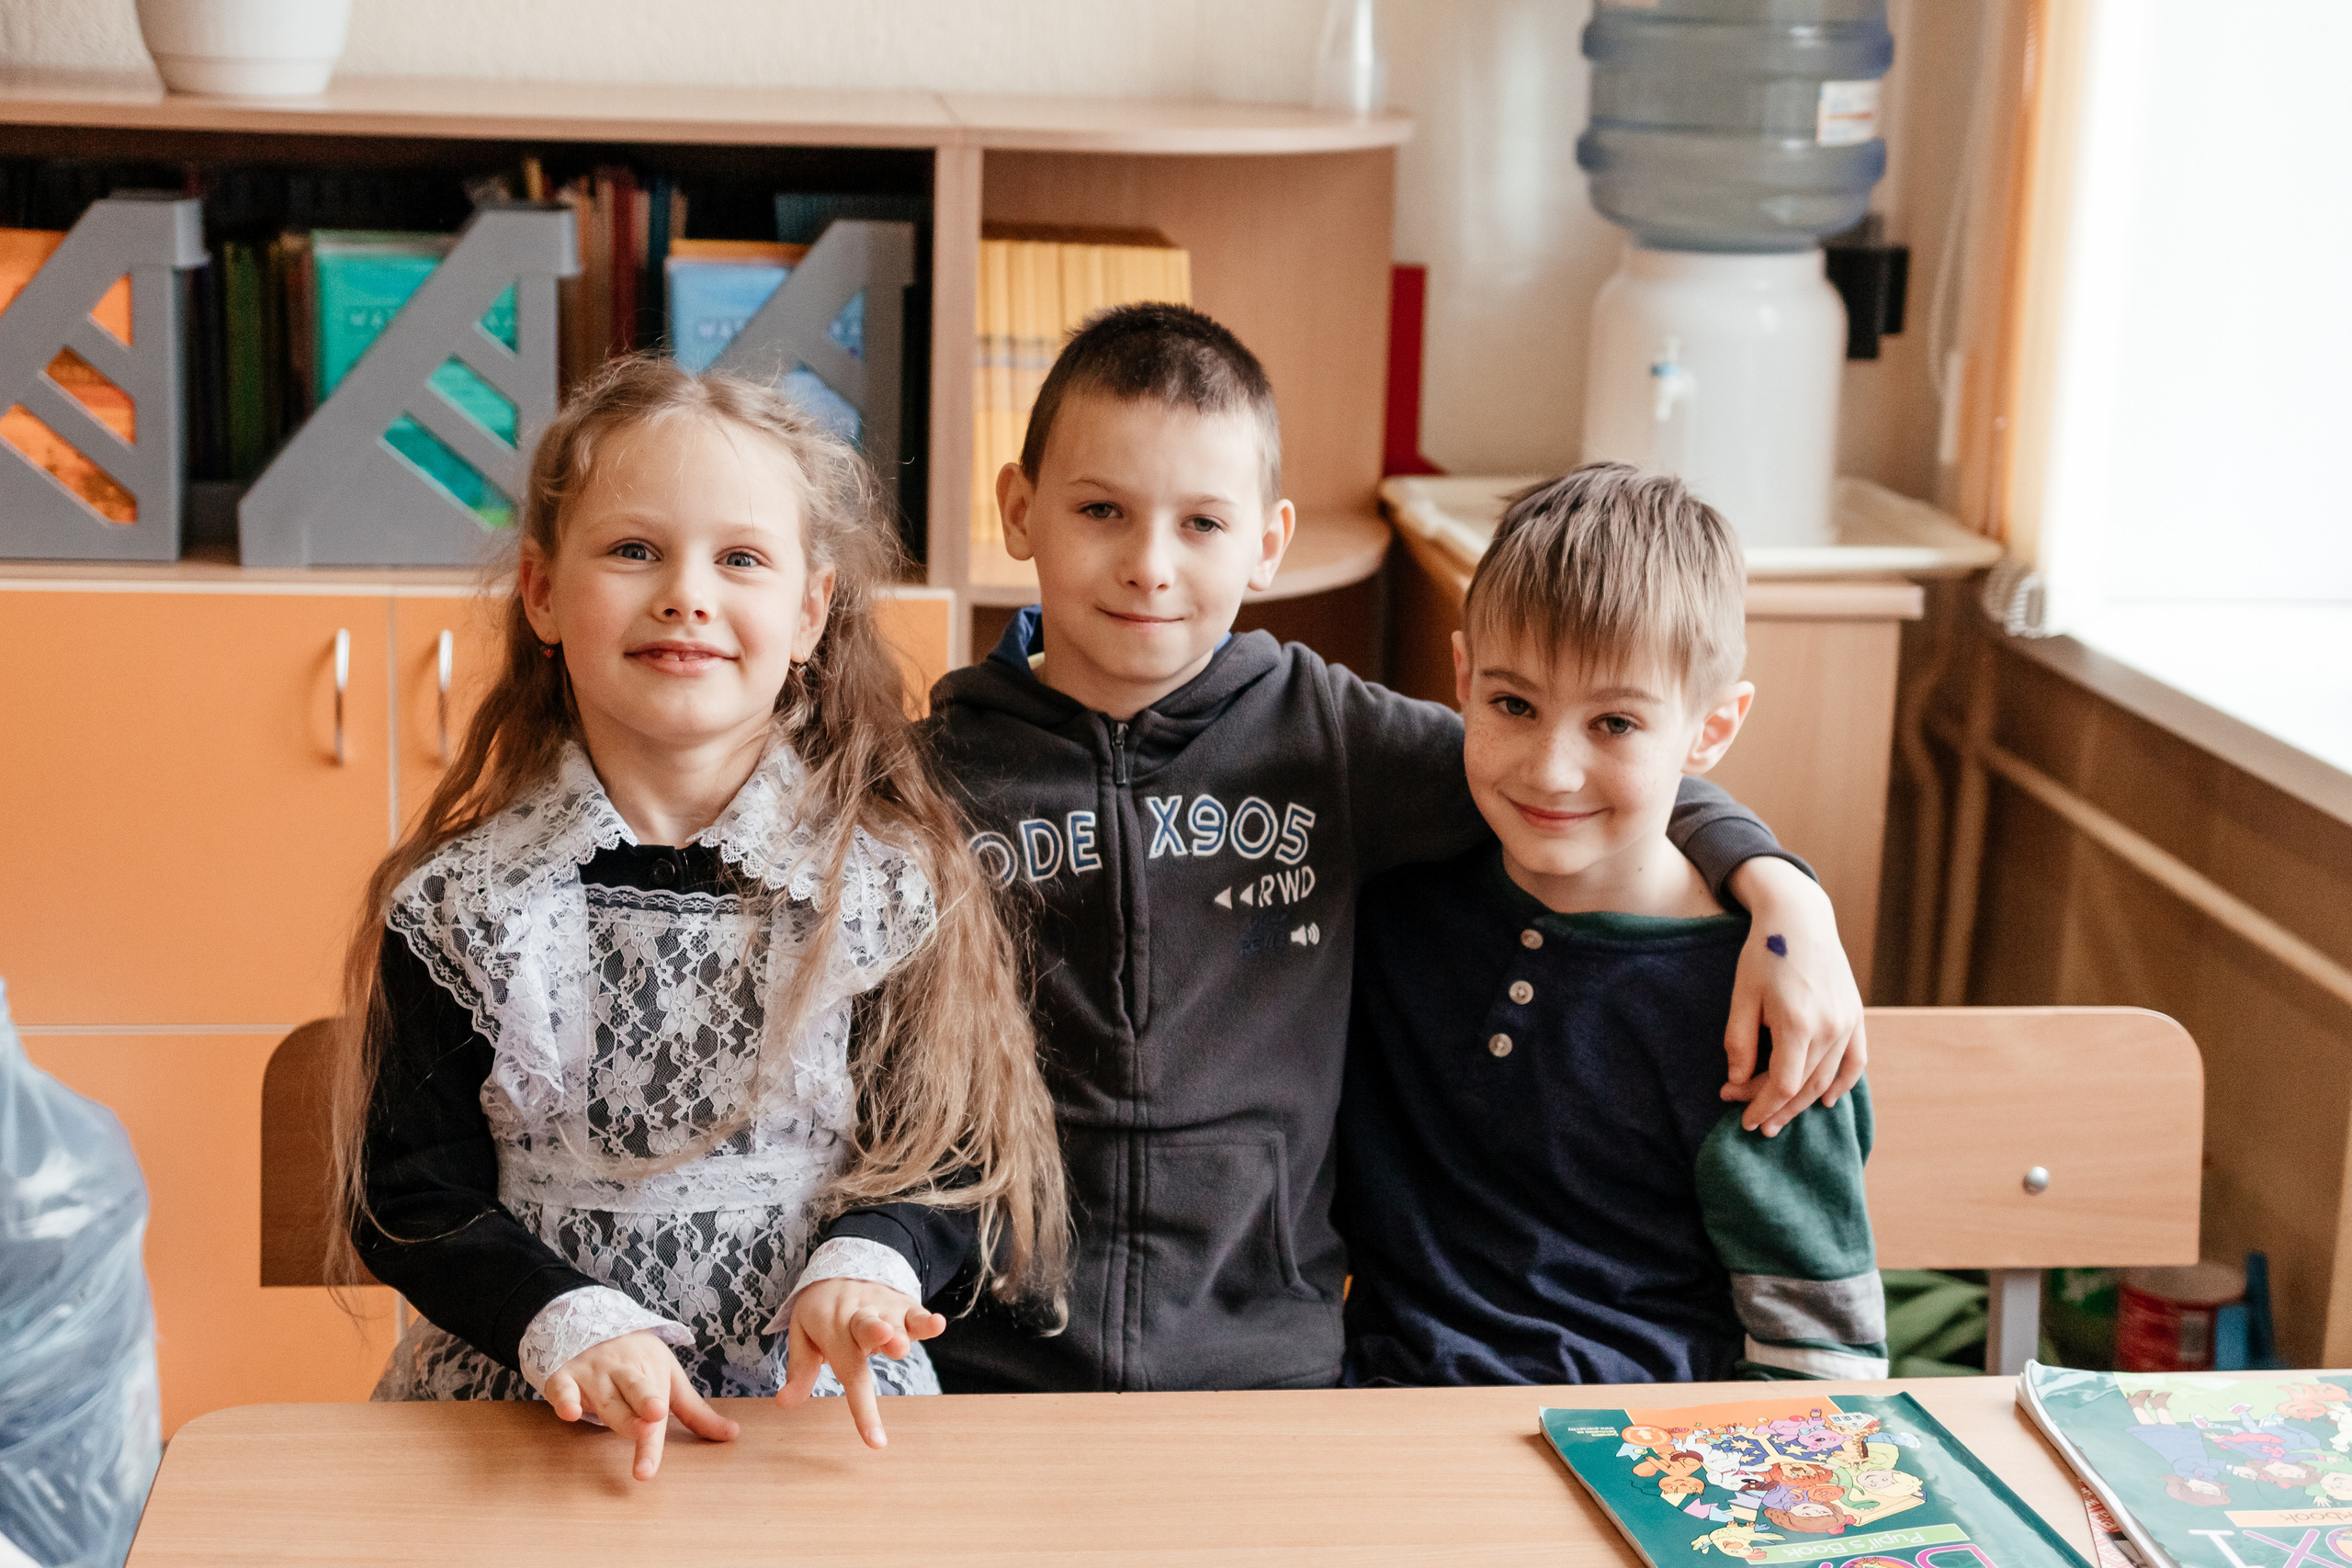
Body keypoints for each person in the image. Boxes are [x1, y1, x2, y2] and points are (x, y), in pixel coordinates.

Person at [917, 305, 1868, 1394]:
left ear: (1268, 544)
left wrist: (1784, 893)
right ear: (1019, 509)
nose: (1149, 566)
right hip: (990, 1362)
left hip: (1266, 1370)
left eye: (1202, 525)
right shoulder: (936, 769)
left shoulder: (1329, 738)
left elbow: (1597, 780)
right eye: (1101, 510)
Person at [334, 359, 1067, 1478]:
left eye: (740, 559)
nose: (686, 594)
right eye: (634, 551)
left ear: (810, 609)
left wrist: (872, 1260)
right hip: (531, 1425)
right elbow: (410, 1195)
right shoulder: (462, 905)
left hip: (813, 1423)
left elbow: (949, 1159)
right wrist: (564, 1321)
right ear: (539, 590)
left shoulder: (887, 888)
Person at [1336, 464, 1886, 1387]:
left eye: (1616, 723)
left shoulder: (1763, 1001)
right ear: (1463, 677)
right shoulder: (1395, 893)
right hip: (1374, 1420)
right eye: (1513, 705)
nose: (1551, 770)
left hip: (1637, 1455)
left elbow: (1818, 1359)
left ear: (1712, 728)